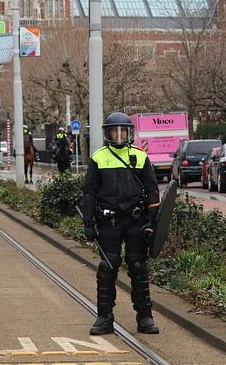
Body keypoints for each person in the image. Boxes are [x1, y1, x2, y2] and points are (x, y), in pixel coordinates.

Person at [81, 111, 160, 336]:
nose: (118, 135)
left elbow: (153, 191)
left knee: (138, 267)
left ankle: (145, 318)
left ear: (129, 132)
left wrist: (151, 222)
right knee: (107, 268)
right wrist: (89, 222)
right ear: (107, 133)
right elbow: (90, 193)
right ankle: (104, 318)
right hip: (110, 222)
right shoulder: (98, 158)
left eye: (122, 131)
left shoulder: (141, 157)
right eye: (114, 131)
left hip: (135, 222)